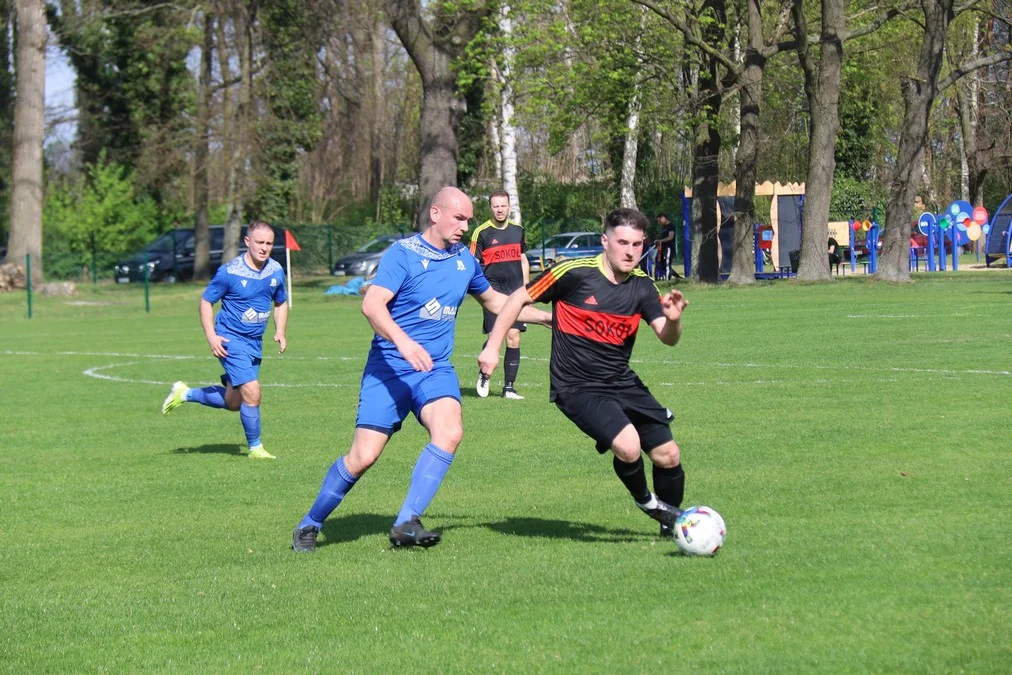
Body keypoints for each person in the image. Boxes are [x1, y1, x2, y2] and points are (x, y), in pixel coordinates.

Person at [292, 187, 551, 552]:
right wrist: (404, 342)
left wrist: (547, 318)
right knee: (363, 457)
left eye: (468, 219)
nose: (465, 226)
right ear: (435, 214)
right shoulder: (403, 254)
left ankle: (405, 523)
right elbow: (372, 305)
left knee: (450, 431)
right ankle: (310, 523)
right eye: (458, 218)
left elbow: (497, 303)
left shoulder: (464, 260)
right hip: (388, 369)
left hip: (434, 369)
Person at [479, 207, 690, 537]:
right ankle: (649, 504)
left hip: (621, 381)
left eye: (636, 244)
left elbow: (667, 337)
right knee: (629, 446)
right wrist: (492, 346)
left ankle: (673, 530)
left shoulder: (643, 287)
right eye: (622, 242)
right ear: (605, 241)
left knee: (668, 454)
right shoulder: (573, 272)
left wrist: (675, 320)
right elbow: (518, 297)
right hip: (576, 386)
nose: (630, 251)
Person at [161, 220, 288, 460]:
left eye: (269, 243)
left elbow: (281, 302)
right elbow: (206, 301)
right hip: (230, 338)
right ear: (247, 242)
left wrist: (280, 330)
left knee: (234, 402)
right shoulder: (230, 272)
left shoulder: (275, 270)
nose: (264, 248)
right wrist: (211, 336)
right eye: (259, 242)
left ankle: (184, 393)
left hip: (254, 342)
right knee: (253, 391)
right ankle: (255, 448)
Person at [469, 190, 530, 400]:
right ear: (490, 208)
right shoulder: (481, 232)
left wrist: (527, 288)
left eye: (503, 205)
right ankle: (485, 374)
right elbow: (472, 264)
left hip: (515, 292)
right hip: (492, 293)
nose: (500, 210)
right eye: (496, 206)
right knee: (496, 336)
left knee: (513, 337)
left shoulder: (518, 230)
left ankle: (509, 388)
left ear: (509, 206)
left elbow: (523, 259)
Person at [654, 213, 676, 280]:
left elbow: (670, 237)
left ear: (663, 218)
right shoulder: (663, 227)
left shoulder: (671, 226)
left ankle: (667, 280)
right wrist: (657, 241)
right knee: (659, 264)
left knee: (667, 264)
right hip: (662, 248)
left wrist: (661, 241)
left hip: (668, 248)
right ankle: (658, 278)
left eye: (659, 220)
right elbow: (661, 237)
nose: (659, 222)